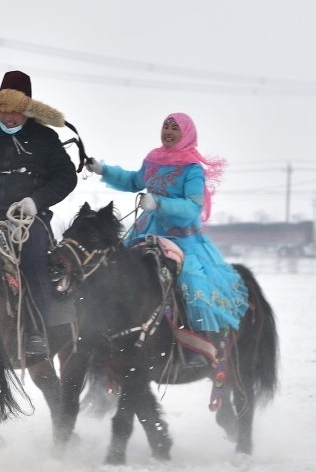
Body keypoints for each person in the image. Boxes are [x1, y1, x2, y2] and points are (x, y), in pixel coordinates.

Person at [86, 113, 249, 370]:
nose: (168, 132)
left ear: (186, 134)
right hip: (146, 233)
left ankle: (195, 345)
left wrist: (159, 202)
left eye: (175, 128)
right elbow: (132, 180)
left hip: (181, 238)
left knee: (188, 283)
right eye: (166, 126)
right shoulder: (154, 160)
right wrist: (103, 170)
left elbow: (193, 208)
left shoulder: (192, 168)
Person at [0, 71, 78, 356]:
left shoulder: (46, 138)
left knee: (33, 259)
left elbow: (66, 177)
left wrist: (36, 201)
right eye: (4, 110)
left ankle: (36, 331)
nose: (9, 116)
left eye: (15, 111)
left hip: (27, 220)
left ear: (27, 109)